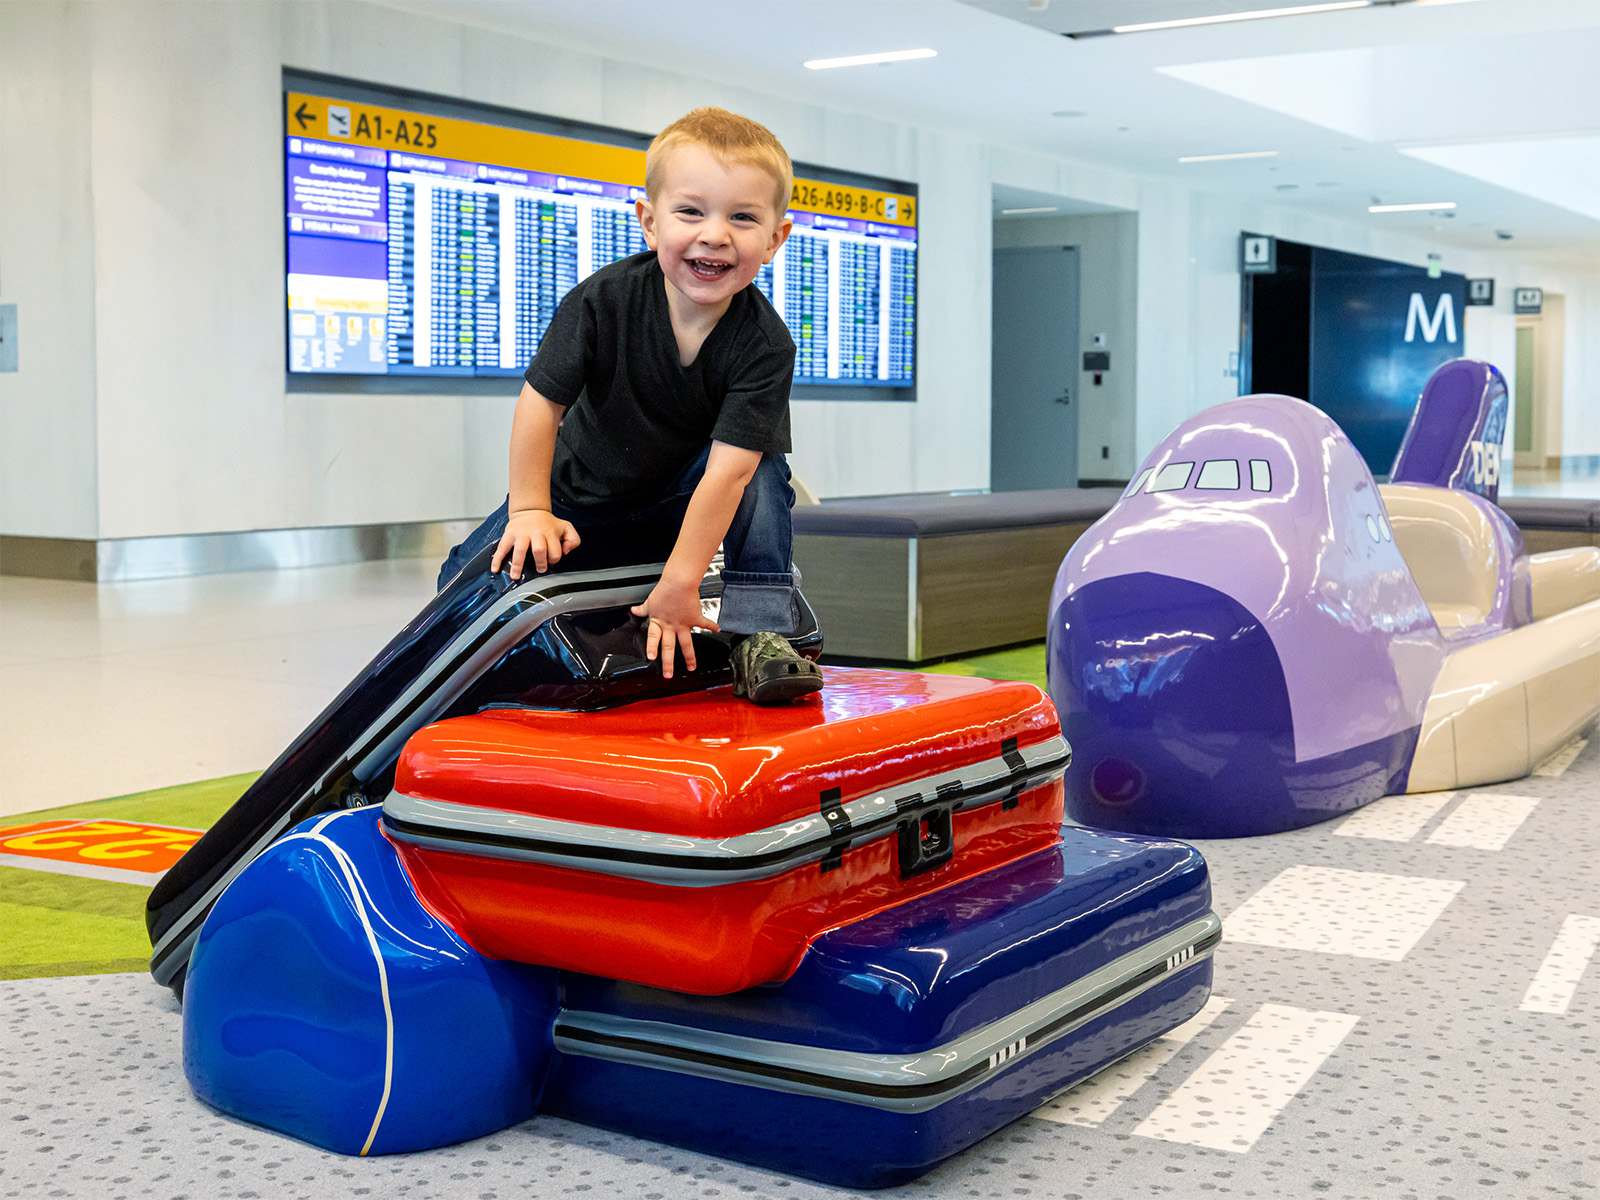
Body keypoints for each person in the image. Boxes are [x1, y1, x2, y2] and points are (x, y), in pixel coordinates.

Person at [438, 106, 823, 704]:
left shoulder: (765, 344)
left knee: (767, 466)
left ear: (775, 239)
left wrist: (681, 583)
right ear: (649, 221)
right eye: (691, 211)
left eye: (742, 218)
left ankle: (761, 631)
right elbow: (540, 407)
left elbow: (732, 471)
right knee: (459, 584)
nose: (714, 234)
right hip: (577, 496)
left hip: (672, 506)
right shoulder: (603, 301)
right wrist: (531, 510)